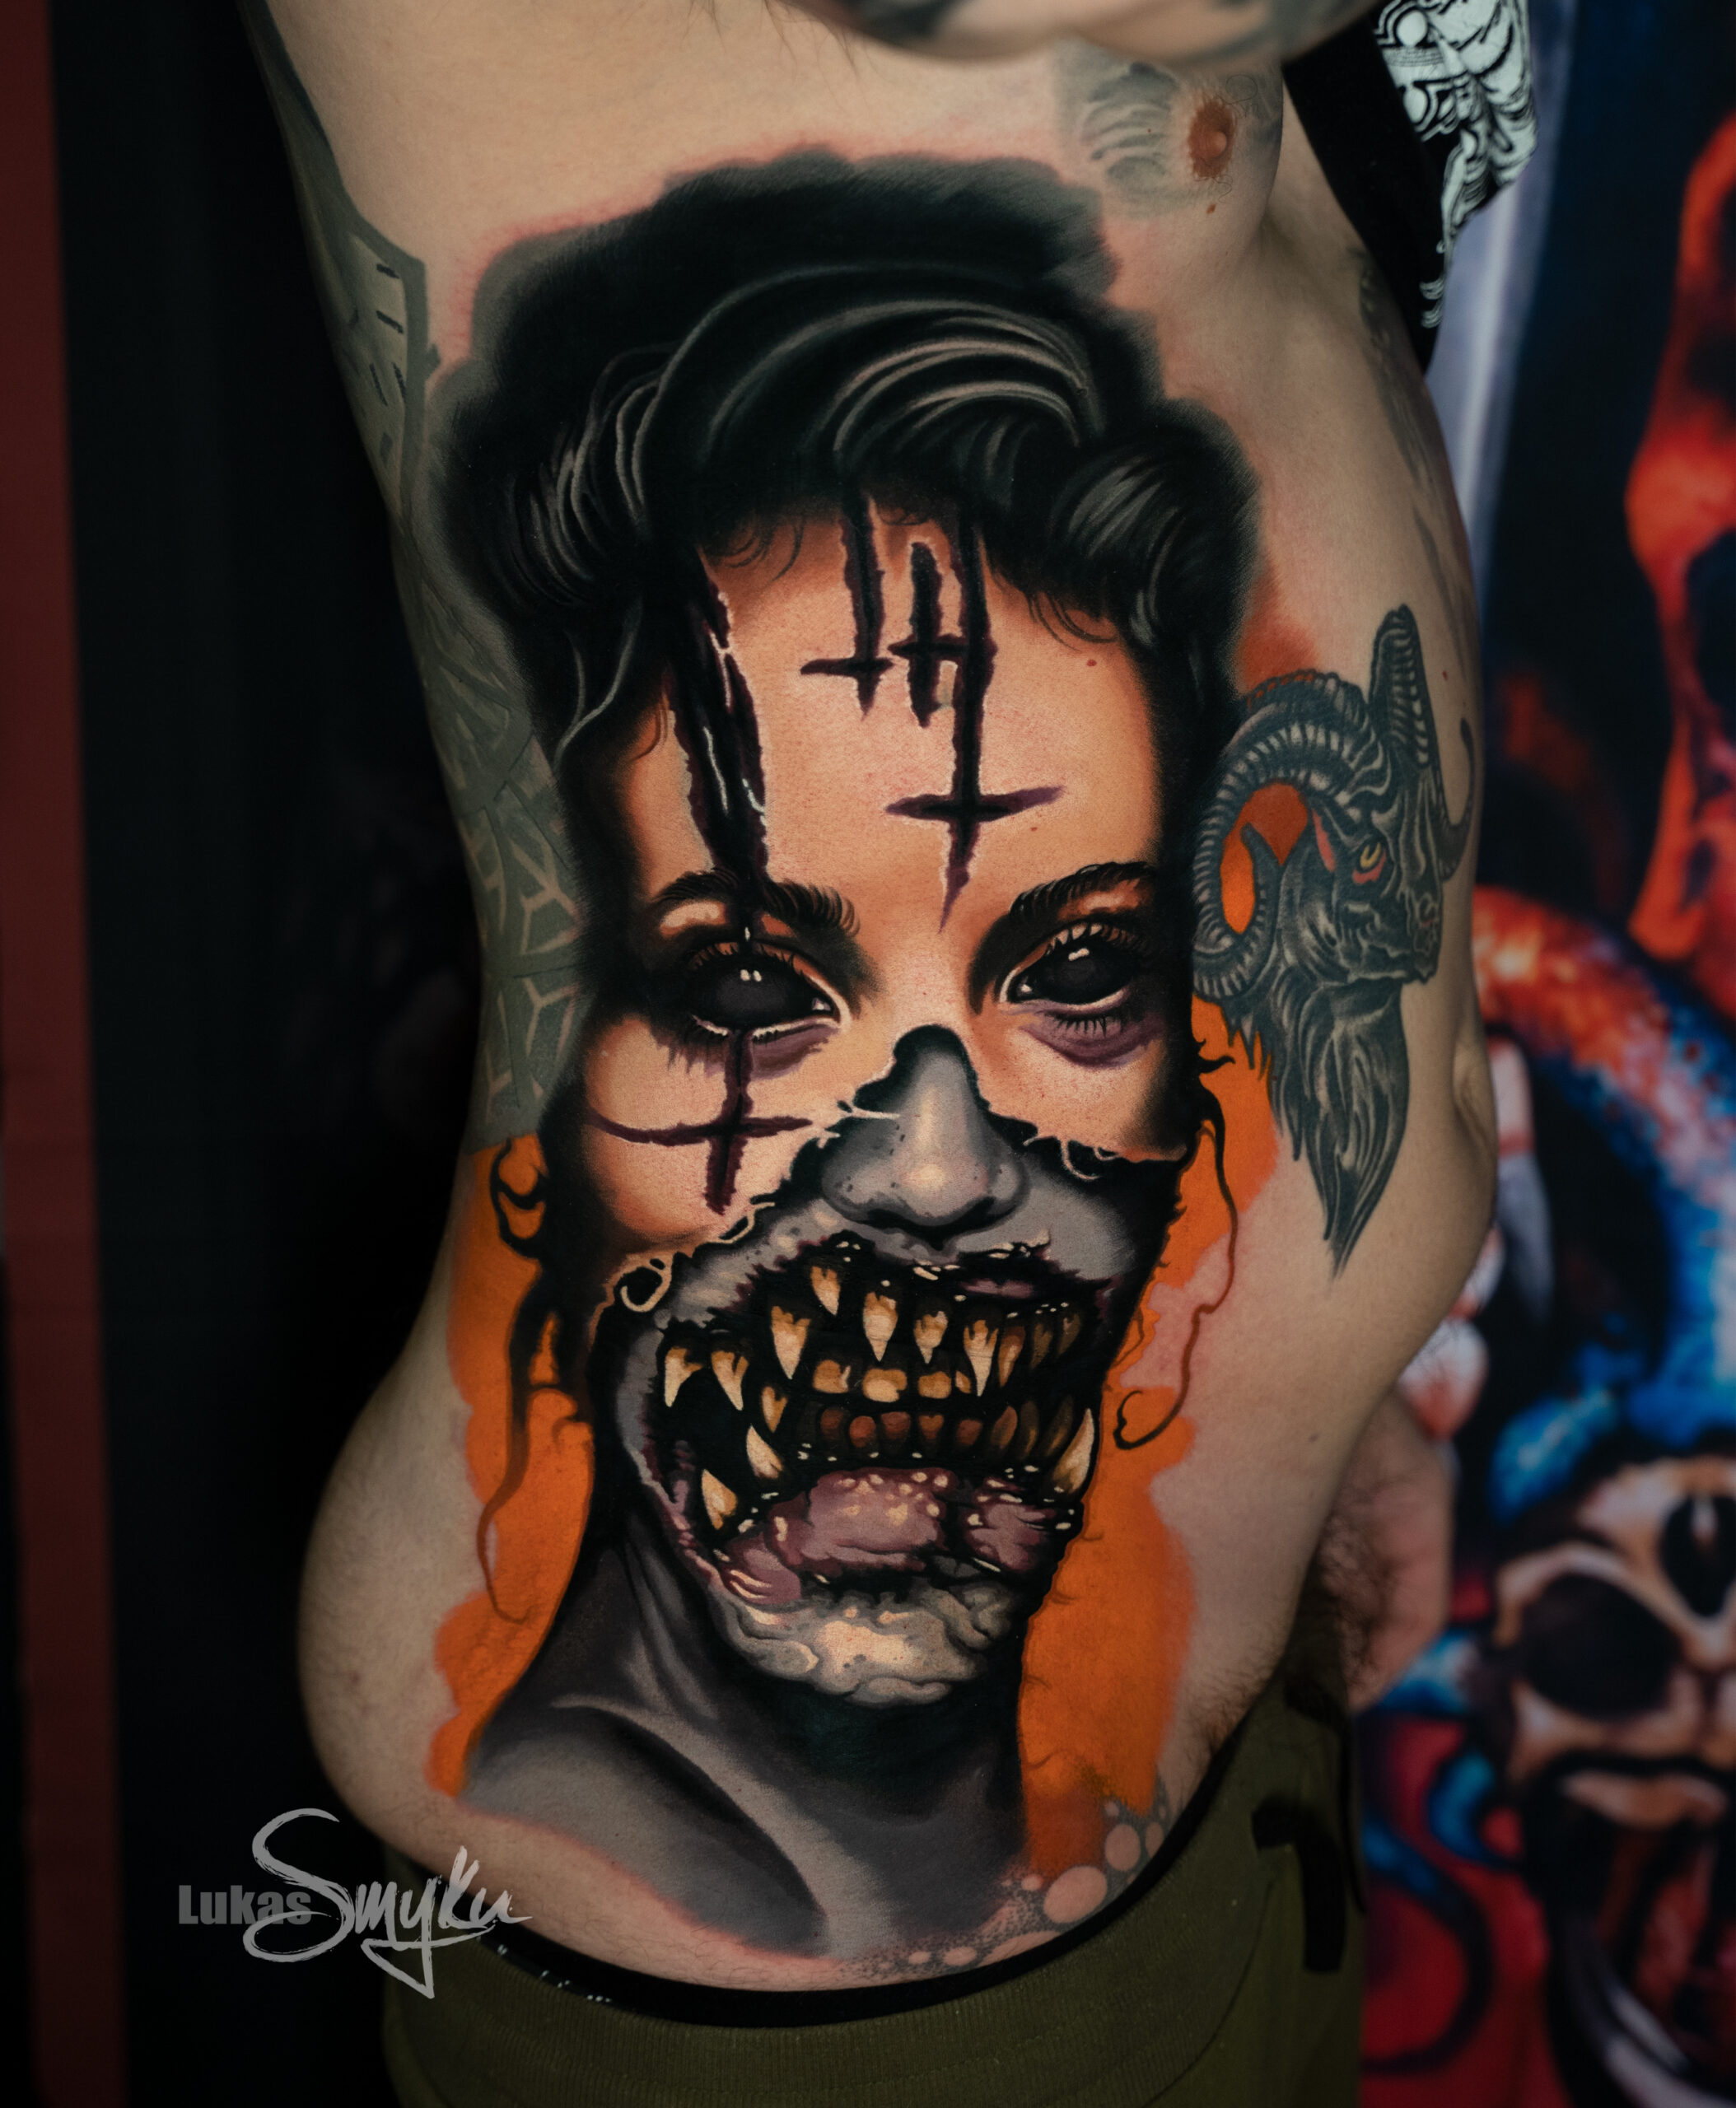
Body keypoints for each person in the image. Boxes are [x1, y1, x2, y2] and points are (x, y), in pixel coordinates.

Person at [247, 0, 1519, 2096]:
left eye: (1080, 971)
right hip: (803, 2003)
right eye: (751, 994)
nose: (934, 1163)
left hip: (1206, 1715)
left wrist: (1300, 1372)